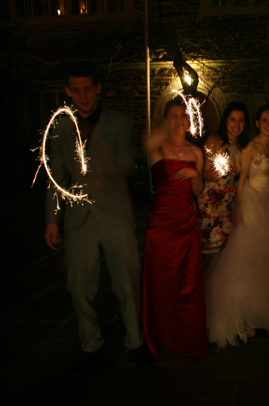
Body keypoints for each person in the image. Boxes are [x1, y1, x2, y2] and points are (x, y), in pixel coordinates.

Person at [44, 61, 152, 371]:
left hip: (116, 214)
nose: (83, 96)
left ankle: (135, 341)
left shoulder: (120, 122)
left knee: (127, 283)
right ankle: (90, 343)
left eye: (88, 89)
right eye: (75, 90)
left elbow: (124, 167)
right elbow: (56, 176)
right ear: (67, 91)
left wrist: (97, 155)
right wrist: (52, 219)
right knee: (80, 286)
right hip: (79, 218)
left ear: (98, 88)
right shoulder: (60, 127)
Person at [206, 105, 269, 348]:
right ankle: (246, 312)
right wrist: (239, 211)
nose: (268, 124)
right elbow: (243, 180)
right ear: (257, 123)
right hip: (251, 203)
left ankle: (263, 311)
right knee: (251, 256)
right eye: (264, 120)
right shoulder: (249, 148)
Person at [142, 99, 207, 359]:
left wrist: (195, 176)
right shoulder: (158, 147)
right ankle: (160, 337)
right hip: (160, 224)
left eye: (183, 116)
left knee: (187, 283)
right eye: (173, 116)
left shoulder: (196, 152)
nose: (180, 121)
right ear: (166, 120)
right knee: (161, 283)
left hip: (186, 221)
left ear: (189, 121)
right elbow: (145, 144)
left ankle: (187, 338)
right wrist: (162, 128)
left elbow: (198, 192)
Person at [197, 102, 250, 265]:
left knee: (223, 258)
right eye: (233, 119)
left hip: (227, 208)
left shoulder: (241, 149)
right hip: (210, 207)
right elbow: (203, 173)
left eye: (241, 121)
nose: (236, 125)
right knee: (208, 257)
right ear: (226, 121)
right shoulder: (214, 141)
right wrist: (210, 174)